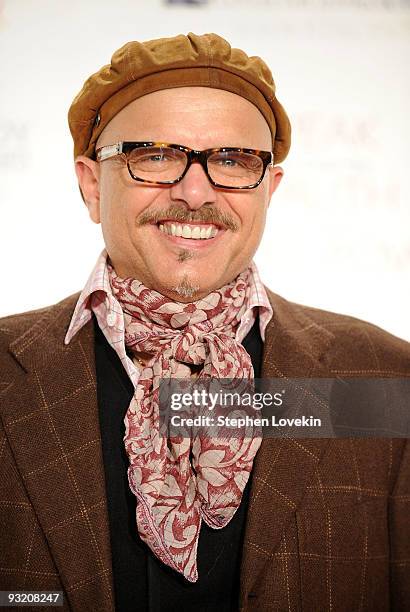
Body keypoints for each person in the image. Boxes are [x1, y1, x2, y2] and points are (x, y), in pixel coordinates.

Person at [0, 32, 409, 612]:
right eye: (156, 156)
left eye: (233, 160)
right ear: (92, 185)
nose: (195, 191)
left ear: (269, 190)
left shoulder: (384, 380)